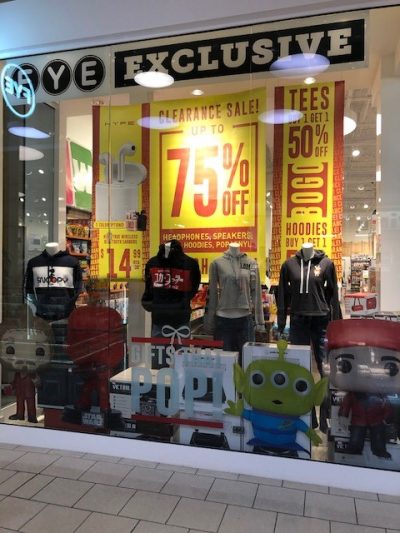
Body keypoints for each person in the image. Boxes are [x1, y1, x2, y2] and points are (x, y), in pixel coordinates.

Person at [277, 243, 342, 377]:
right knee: (298, 362)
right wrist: (281, 321)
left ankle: (327, 389)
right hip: (298, 318)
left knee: (324, 362)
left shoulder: (326, 263)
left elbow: (333, 293)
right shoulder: (289, 265)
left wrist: (336, 321)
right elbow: (282, 293)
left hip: (320, 318)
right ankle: (301, 389)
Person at [141, 240, 201, 367]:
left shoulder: (190, 264)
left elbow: (193, 289)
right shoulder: (152, 264)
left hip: (171, 320)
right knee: (168, 366)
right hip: (170, 320)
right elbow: (149, 290)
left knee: (173, 366)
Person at [203, 243, 265, 364]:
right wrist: (209, 322)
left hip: (245, 320)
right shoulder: (216, 263)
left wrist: (260, 322)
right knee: (224, 364)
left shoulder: (251, 263)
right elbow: (213, 294)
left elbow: (256, 292)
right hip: (223, 320)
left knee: (246, 363)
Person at [24, 242, 83, 322]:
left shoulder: (72, 262)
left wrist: (68, 306)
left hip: (66, 315)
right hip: (41, 316)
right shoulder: (34, 263)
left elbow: (78, 287)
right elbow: (28, 289)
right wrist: (36, 306)